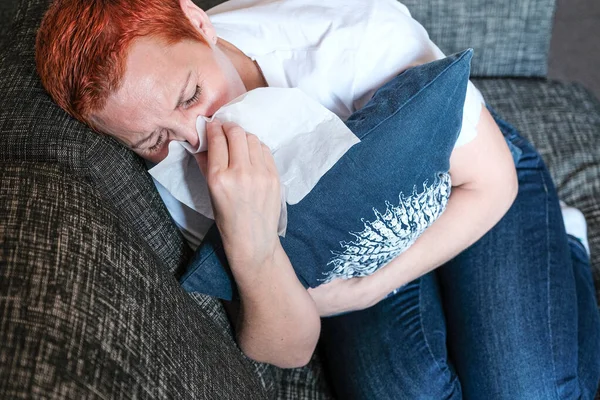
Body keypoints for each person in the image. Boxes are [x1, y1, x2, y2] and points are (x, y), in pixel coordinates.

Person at [35, 0, 600, 398]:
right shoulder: (167, 162)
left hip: (462, 177)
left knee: (530, 388)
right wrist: (253, 247)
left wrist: (369, 286)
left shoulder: (347, 38)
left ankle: (563, 237)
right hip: (348, 238)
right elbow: (287, 347)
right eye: (153, 139)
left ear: (197, 21)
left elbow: (491, 183)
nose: (194, 139)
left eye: (192, 95)